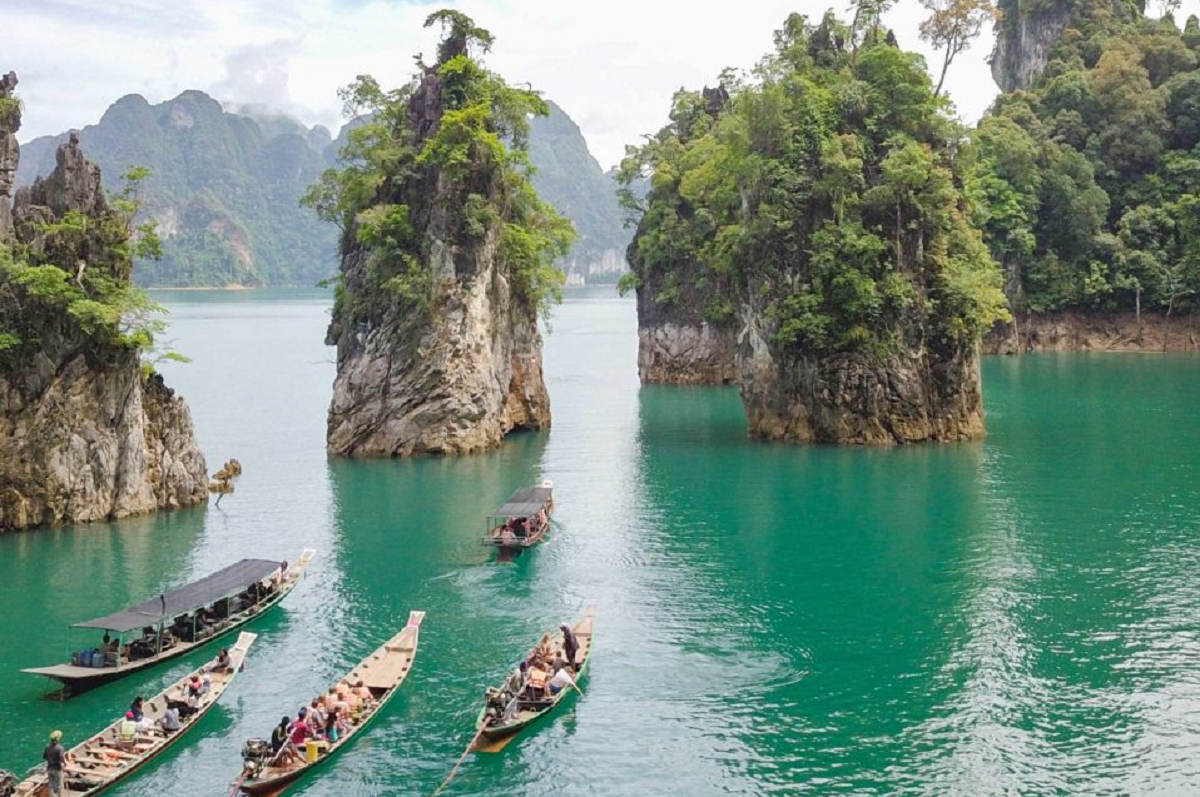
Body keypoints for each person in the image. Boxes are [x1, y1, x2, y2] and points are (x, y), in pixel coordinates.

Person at [43, 730, 67, 797]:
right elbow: (61, 758)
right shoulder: (60, 748)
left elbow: (45, 756)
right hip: (57, 769)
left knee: (51, 784)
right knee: (59, 785)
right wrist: (65, 764)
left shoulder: (47, 747)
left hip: (49, 768)